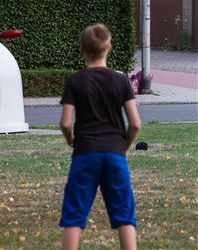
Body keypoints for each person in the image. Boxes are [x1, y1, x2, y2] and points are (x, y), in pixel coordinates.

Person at [59, 23, 141, 250]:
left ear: (81, 48)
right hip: (115, 154)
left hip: (85, 153)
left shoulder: (75, 80)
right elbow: (135, 123)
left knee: (74, 216)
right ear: (109, 48)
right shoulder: (121, 80)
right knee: (124, 215)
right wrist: (123, 146)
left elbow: (66, 122)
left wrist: (71, 140)